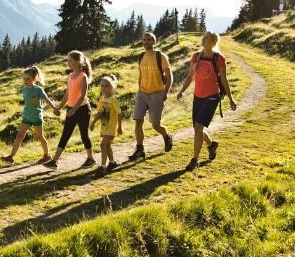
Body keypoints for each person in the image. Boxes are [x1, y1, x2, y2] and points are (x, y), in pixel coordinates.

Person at [175, 30, 237, 172]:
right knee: (198, 129)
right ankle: (211, 144)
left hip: (212, 96)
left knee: (198, 127)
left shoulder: (218, 58)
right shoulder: (196, 56)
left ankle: (195, 159)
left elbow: (224, 80)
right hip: (198, 96)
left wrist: (231, 99)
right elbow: (190, 76)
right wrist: (182, 91)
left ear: (213, 42)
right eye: (203, 37)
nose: (203, 39)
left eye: (206, 38)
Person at [44, 50, 96, 169]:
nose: (68, 63)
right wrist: (59, 107)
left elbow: (82, 96)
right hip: (71, 109)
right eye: (68, 61)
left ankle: (91, 159)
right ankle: (54, 161)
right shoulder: (70, 76)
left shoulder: (83, 77)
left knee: (84, 135)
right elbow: (67, 94)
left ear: (78, 62)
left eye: (70, 61)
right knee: (65, 134)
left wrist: (73, 110)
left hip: (82, 109)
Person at [128, 31, 173, 161]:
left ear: (154, 42)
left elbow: (169, 75)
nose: (146, 42)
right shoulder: (141, 57)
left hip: (157, 94)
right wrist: (139, 89)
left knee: (155, 125)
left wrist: (165, 92)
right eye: (144, 39)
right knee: (138, 121)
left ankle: (167, 136)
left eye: (148, 39)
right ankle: (140, 149)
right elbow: (141, 75)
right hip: (142, 94)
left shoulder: (161, 56)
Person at [1, 65, 57, 164]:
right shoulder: (24, 89)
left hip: (36, 117)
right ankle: (11, 157)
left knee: (40, 137)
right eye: (24, 78)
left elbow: (46, 100)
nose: (25, 80)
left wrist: (55, 109)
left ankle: (47, 155)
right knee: (19, 135)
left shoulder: (38, 89)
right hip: (26, 116)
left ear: (34, 79)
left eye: (28, 79)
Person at [90, 74, 123, 176]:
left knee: (103, 145)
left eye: (106, 86)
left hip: (111, 127)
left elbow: (119, 113)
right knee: (107, 146)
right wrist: (93, 123)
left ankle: (103, 166)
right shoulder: (101, 99)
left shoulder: (113, 100)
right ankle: (112, 162)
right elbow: (99, 112)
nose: (103, 88)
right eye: (102, 85)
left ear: (111, 87)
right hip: (104, 126)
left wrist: (119, 127)